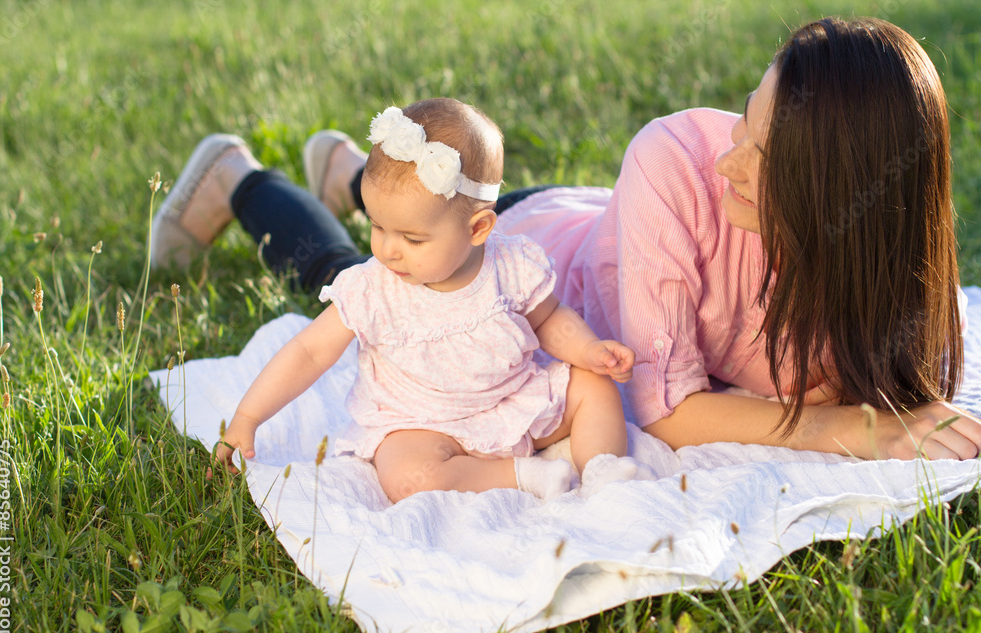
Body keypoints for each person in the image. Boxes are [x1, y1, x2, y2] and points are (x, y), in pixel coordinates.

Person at [154, 17, 981, 463]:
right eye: (744, 121)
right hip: (539, 260)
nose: (728, 154)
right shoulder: (682, 163)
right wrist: (842, 429)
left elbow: (900, 385)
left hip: (601, 228)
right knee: (372, 270)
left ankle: (348, 169)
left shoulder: (892, 269)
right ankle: (243, 178)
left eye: (758, 151)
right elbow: (668, 411)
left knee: (421, 209)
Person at [204, 98, 642, 501]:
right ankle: (522, 476)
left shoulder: (511, 264)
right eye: (376, 226)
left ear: (477, 230)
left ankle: (604, 469)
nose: (388, 250)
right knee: (407, 475)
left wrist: (588, 349)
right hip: (421, 423)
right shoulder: (374, 288)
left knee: (592, 384)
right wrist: (247, 417)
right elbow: (308, 351)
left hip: (512, 402)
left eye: (412, 238)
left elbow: (550, 320)